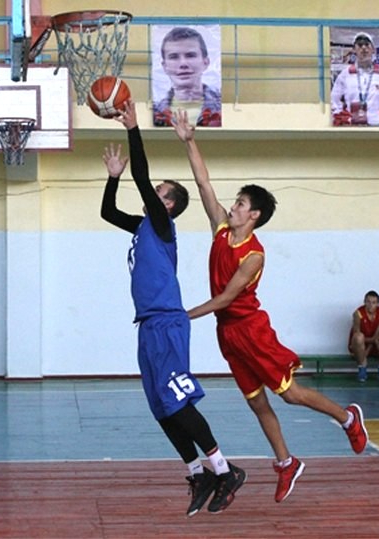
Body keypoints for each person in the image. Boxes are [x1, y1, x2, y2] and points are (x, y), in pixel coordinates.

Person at [173, 109, 368, 504]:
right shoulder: (221, 230)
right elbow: (203, 182)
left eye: (241, 203)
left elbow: (227, 298)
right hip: (228, 334)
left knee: (289, 394)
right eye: (236, 201)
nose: (233, 206)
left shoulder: (254, 255)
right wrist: (189, 141)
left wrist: (183, 315)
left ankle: (348, 417)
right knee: (256, 402)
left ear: (254, 215)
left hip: (251, 330)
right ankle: (286, 462)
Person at [100, 100, 244, 516]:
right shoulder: (144, 225)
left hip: (166, 322)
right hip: (148, 325)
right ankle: (198, 473)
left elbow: (142, 177)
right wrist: (112, 178)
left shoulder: (163, 226)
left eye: (160, 193)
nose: (153, 194)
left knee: (178, 402)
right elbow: (108, 212)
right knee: (161, 407)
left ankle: (225, 470)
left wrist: (133, 128)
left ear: (167, 205)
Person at [153, 26, 221, 127]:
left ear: (206, 62)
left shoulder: (222, 107)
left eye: (190, 55)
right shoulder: (156, 113)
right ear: (164, 66)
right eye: (174, 57)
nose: (183, 64)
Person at [331, 32, 379, 127]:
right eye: (359, 45)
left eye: (367, 44)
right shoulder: (345, 75)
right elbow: (334, 101)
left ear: (373, 49)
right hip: (352, 128)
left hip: (378, 128)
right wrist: (343, 119)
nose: (363, 48)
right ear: (354, 50)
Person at [349, 290, 379, 382]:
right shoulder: (358, 313)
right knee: (359, 337)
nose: (371, 305)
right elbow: (356, 334)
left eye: (374, 302)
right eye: (368, 302)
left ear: (378, 304)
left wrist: (368, 349)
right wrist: (366, 349)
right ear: (364, 302)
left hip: (374, 342)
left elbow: (378, 333)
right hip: (361, 343)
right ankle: (362, 368)